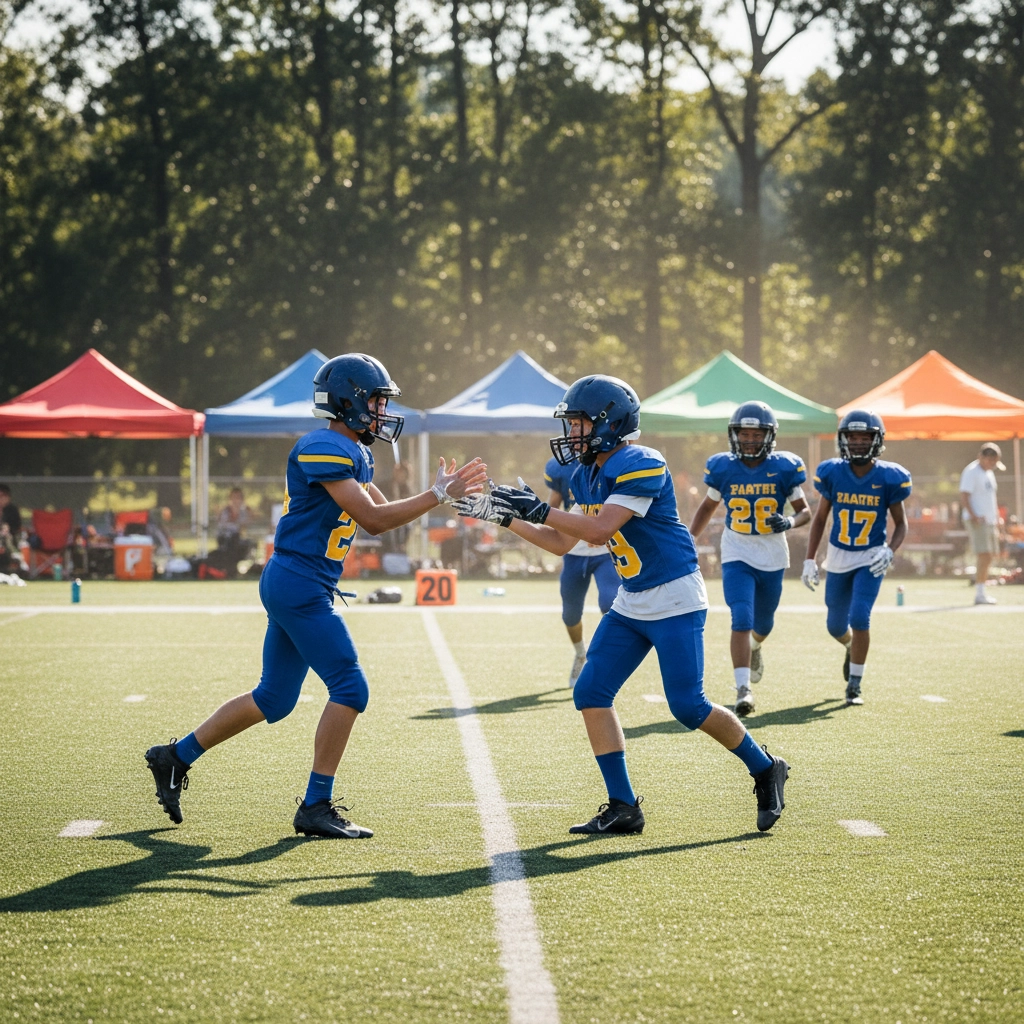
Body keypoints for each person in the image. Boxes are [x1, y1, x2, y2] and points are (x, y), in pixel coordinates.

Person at [145, 353, 487, 838]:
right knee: (351, 688)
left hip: (299, 579)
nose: (380, 411)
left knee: (275, 697)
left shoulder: (351, 450)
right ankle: (315, 804)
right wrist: (436, 496)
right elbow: (373, 521)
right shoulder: (321, 445)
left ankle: (174, 756)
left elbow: (382, 510)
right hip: (299, 581)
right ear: (347, 400)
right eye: (374, 400)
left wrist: (438, 496)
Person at [453, 375, 790, 836]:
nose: (572, 434)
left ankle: (765, 766)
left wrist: (537, 510)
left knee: (688, 706)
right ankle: (623, 805)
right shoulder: (586, 472)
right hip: (633, 599)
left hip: (673, 594)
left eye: (579, 424)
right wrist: (507, 517)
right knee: (590, 692)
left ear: (609, 422)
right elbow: (559, 542)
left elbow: (599, 531)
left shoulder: (640, 460)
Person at [689, 402, 810, 717]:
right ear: (734, 435)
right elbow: (707, 508)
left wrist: (790, 522)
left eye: (757, 434)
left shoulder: (785, 467)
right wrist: (689, 538)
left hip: (772, 554)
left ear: (769, 436)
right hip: (736, 551)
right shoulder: (724, 467)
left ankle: (755, 648)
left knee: (764, 622)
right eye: (744, 433)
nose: (750, 439)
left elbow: (804, 511)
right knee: (741, 617)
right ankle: (743, 688)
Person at [802, 409, 911, 706]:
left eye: (865, 437)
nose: (859, 443)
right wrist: (810, 558)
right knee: (835, 626)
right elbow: (820, 518)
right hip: (838, 555)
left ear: (877, 441)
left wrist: (890, 549)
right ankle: (850, 646)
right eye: (854, 437)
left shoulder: (889, 477)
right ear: (843, 440)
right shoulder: (833, 472)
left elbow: (901, 523)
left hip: (871, 556)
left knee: (860, 616)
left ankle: (855, 684)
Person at [544, 454, 620, 685]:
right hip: (574, 551)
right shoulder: (562, 468)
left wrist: (605, 531)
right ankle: (580, 653)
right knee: (570, 614)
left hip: (605, 551)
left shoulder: (616, 464)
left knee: (610, 603)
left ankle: (601, 660)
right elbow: (551, 507)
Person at [959, 442, 1005, 605]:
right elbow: (964, 495)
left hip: (990, 521)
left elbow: (990, 498)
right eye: (991, 461)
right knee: (984, 554)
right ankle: (979, 593)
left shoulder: (989, 473)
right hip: (978, 520)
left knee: (990, 555)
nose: (993, 465)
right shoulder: (972, 472)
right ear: (982, 457)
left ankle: (982, 590)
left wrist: (997, 517)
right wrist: (974, 516)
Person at [215, 487, 252, 571]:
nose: (236, 500)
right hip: (225, 539)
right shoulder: (226, 511)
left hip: (237, 540)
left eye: (239, 497)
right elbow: (224, 525)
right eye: (234, 497)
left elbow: (245, 525)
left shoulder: (244, 512)